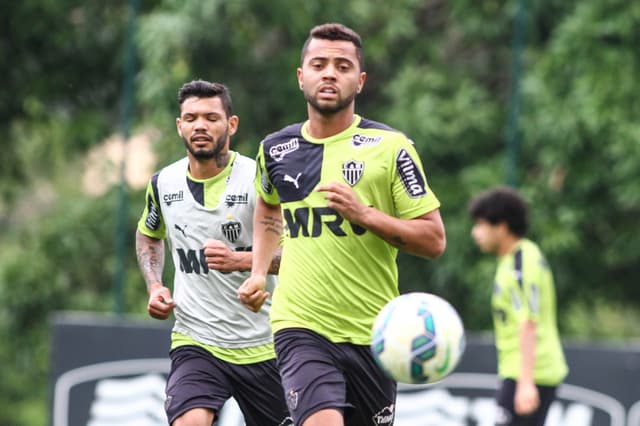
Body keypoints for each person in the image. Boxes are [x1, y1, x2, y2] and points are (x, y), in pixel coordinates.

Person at [238, 23, 446, 426]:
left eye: (342, 65)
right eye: (318, 64)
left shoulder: (391, 148)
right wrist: (259, 272)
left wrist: (365, 215)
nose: (329, 73)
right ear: (301, 77)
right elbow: (267, 209)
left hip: (376, 334)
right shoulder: (274, 149)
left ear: (360, 80)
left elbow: (434, 240)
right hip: (301, 325)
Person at [135, 79, 292, 426]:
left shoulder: (258, 178)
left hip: (264, 346)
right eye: (190, 118)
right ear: (180, 126)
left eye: (211, 117)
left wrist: (241, 261)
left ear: (231, 125)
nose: (200, 126)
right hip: (197, 340)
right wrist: (155, 286)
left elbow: (296, 253)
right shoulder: (164, 183)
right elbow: (148, 235)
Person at [468, 186, 568, 426]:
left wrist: (525, 383)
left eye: (480, 224)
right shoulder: (511, 260)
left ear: (501, 226)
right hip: (523, 372)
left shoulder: (522, 264)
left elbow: (528, 323)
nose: (475, 233)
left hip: (531, 374)